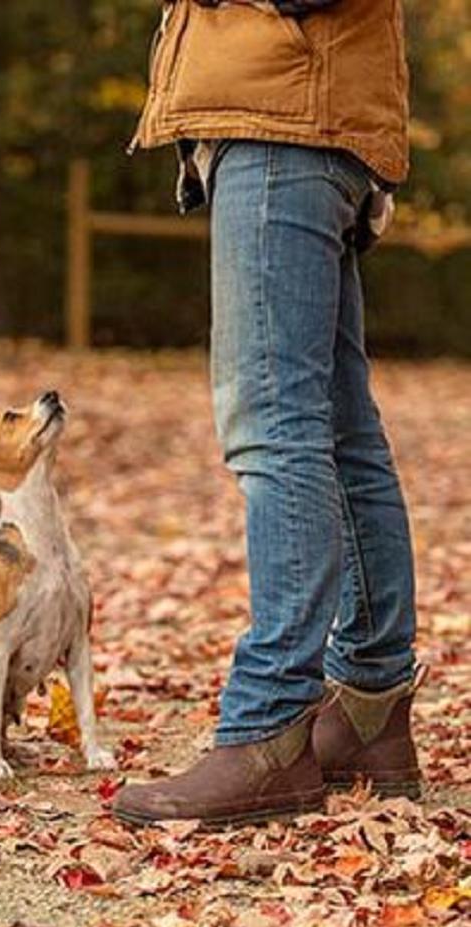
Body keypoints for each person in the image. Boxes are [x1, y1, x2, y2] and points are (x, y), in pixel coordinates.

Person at [113, 0, 422, 827]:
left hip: (287, 125)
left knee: (275, 428)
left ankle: (270, 728)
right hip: (304, 119)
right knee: (338, 431)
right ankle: (367, 710)